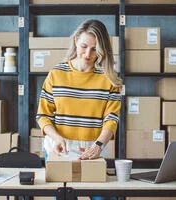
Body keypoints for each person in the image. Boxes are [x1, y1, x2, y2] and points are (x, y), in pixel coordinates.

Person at [36, 19, 122, 200]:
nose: (87, 54)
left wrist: (99, 145)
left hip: (93, 148)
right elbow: (43, 115)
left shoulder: (109, 78)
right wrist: (56, 137)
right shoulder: (56, 74)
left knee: (101, 197)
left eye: (94, 49)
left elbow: (112, 118)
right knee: (63, 197)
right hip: (60, 148)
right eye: (84, 46)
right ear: (76, 40)